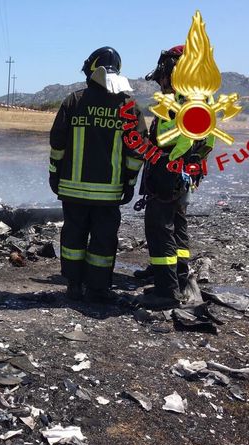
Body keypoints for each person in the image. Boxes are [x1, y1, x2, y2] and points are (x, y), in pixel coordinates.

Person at [49, 47, 145, 304]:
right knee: (103, 240)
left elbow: (57, 143)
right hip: (108, 193)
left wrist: (54, 173)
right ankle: (98, 289)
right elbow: (137, 151)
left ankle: (73, 285)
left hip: (72, 190)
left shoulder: (73, 101)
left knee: (73, 237)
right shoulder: (128, 107)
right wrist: (130, 183)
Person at [136, 45, 215, 309]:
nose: (161, 82)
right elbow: (206, 141)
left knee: (159, 228)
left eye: (164, 75)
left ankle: (166, 291)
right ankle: (178, 278)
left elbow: (181, 138)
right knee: (177, 225)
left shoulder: (184, 98)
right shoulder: (197, 95)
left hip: (170, 170)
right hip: (182, 171)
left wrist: (168, 165)